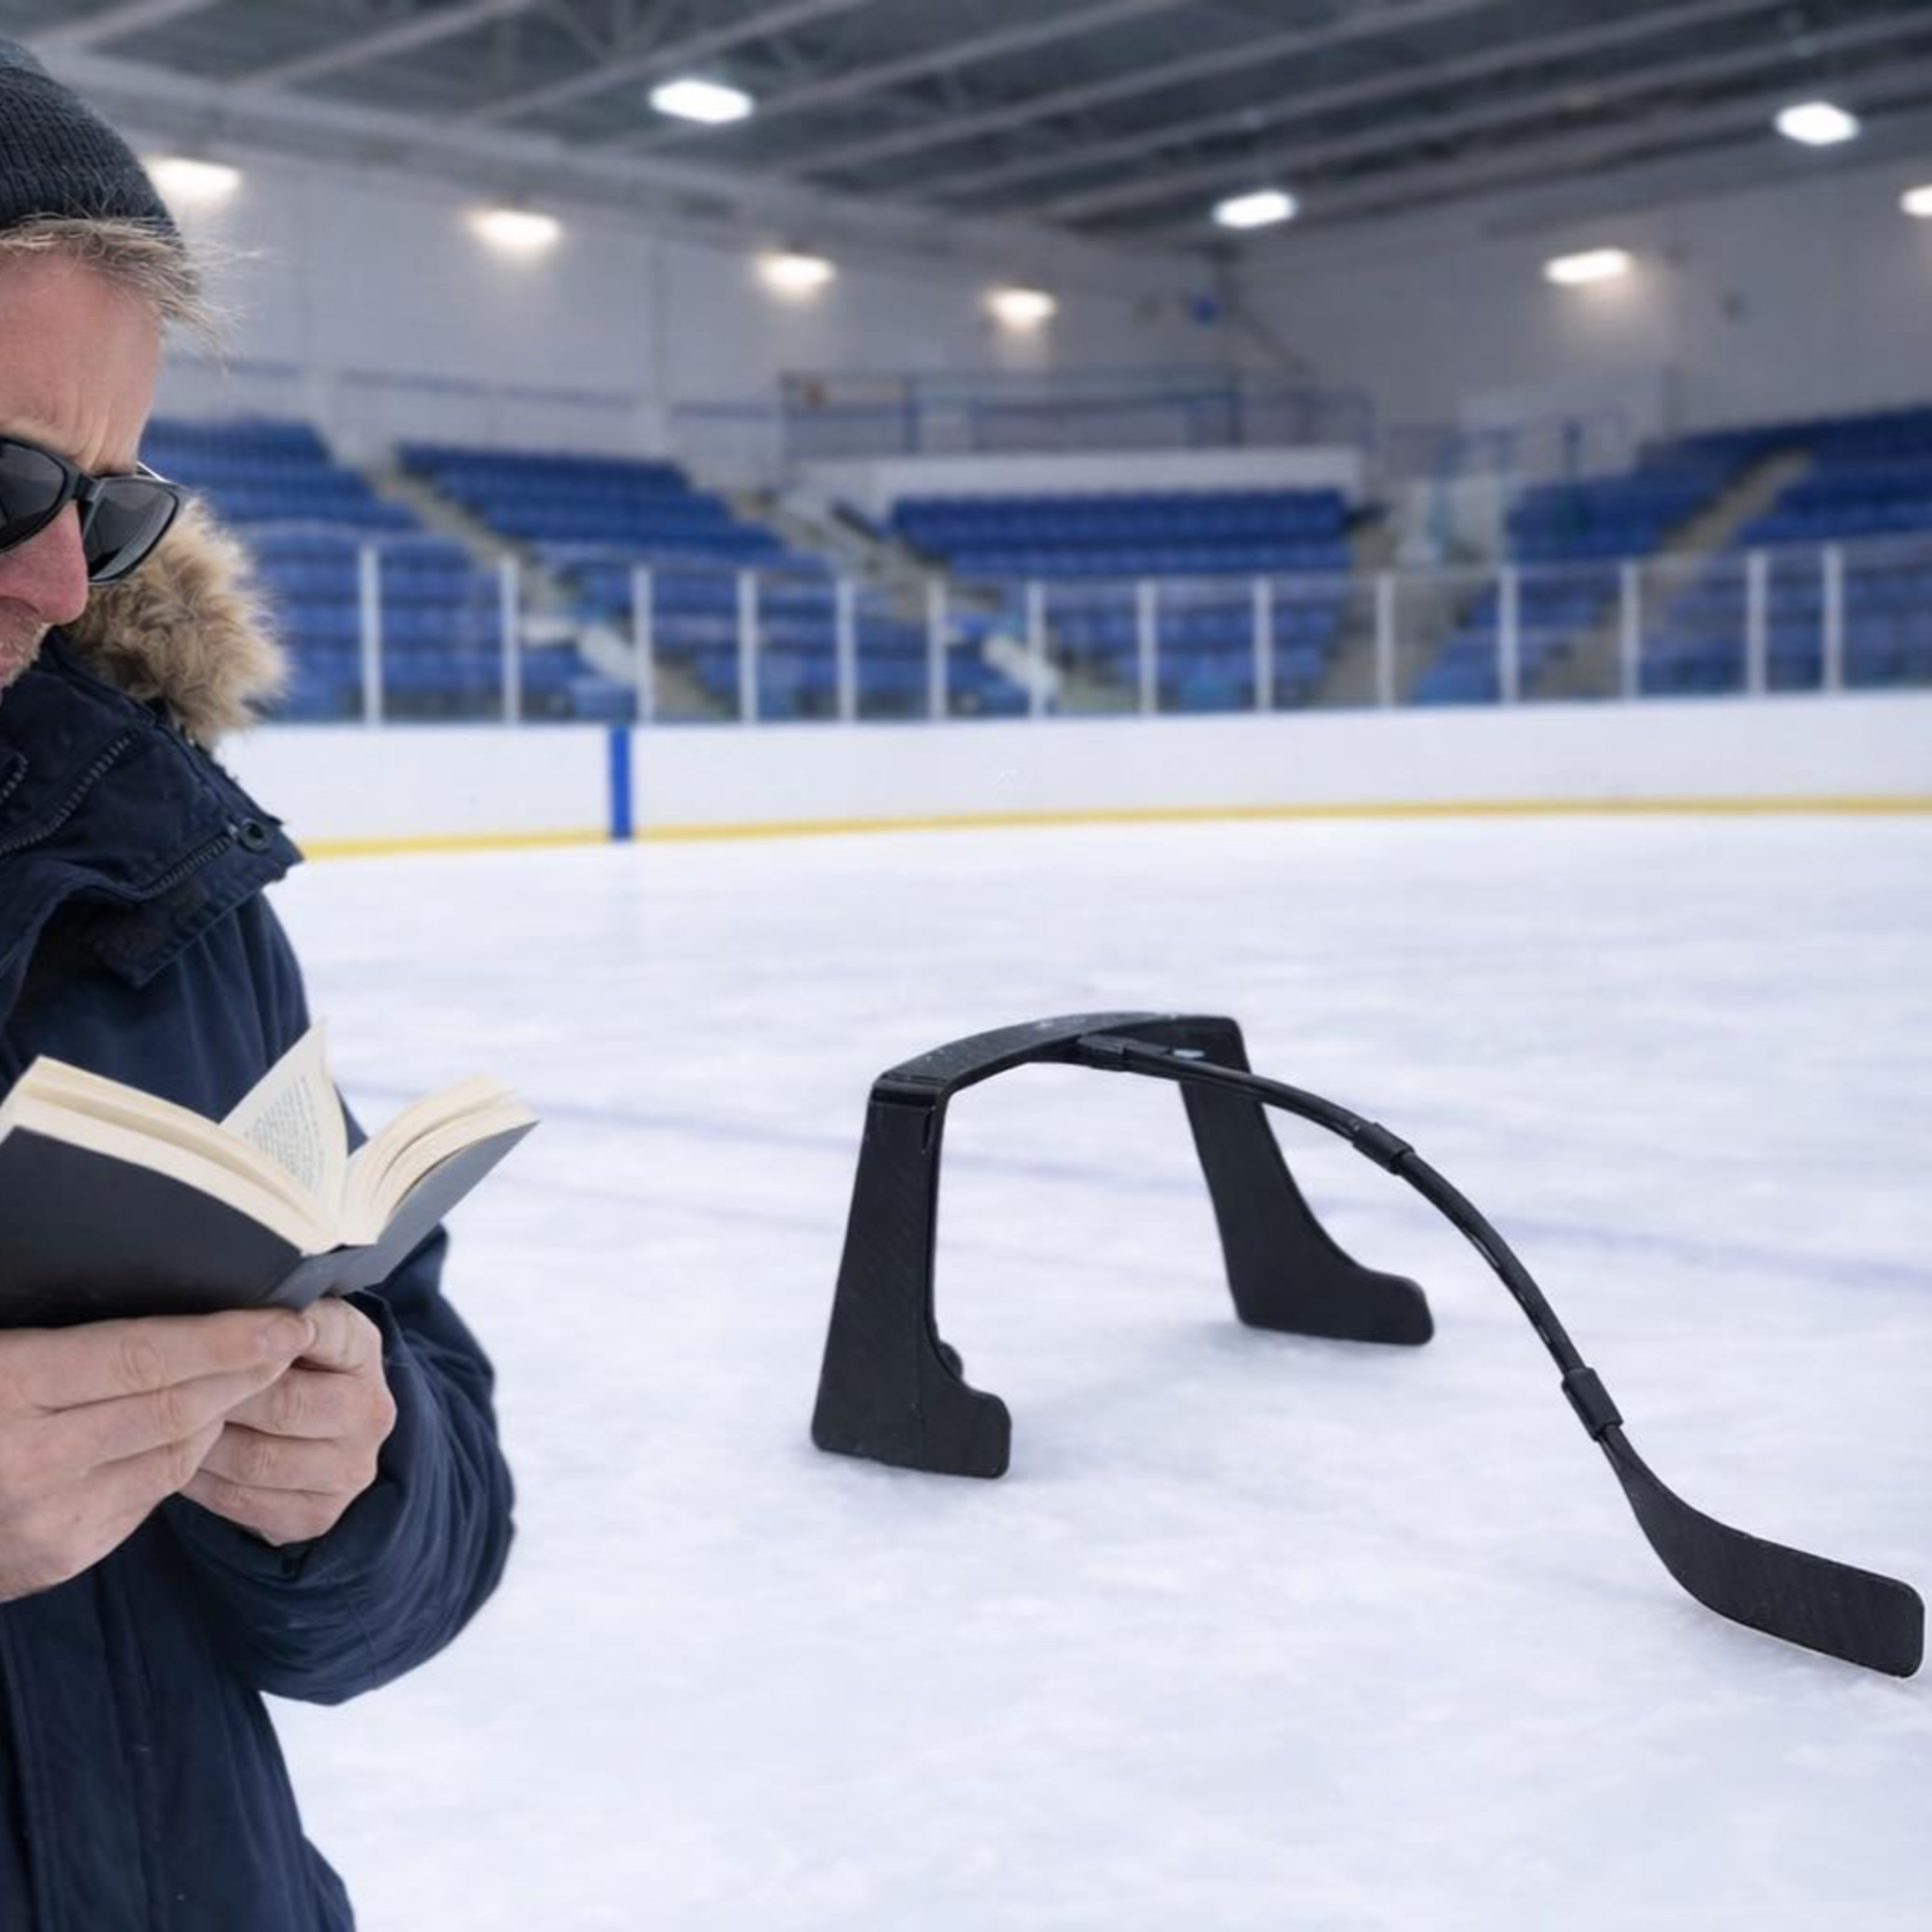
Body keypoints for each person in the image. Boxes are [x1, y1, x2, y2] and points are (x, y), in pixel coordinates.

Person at [0, 39, 515, 1929]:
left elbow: (426, 1528)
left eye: (105, 508)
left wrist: (353, 1486)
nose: (60, 584)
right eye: (1, 479)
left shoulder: (155, 872)